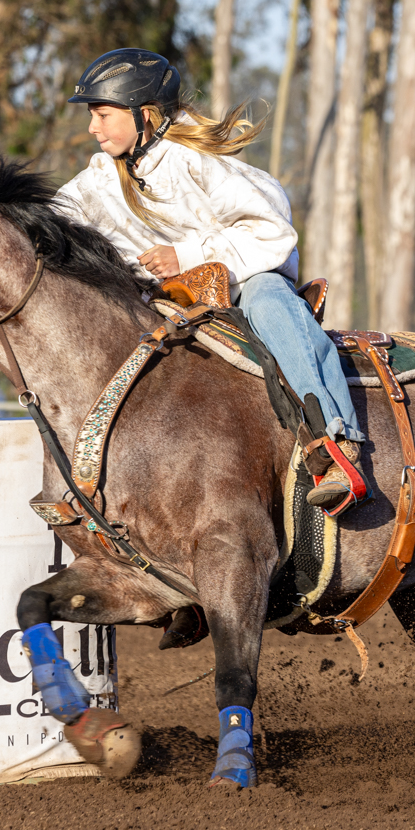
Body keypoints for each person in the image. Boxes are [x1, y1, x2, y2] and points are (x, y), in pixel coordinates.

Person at [57, 48, 365, 512]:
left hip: (249, 281)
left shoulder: (199, 162)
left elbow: (271, 231)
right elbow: (53, 217)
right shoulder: (99, 178)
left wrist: (184, 254)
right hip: (170, 301)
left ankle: (336, 442)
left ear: (143, 115)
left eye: (101, 114)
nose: (92, 127)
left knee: (270, 303)